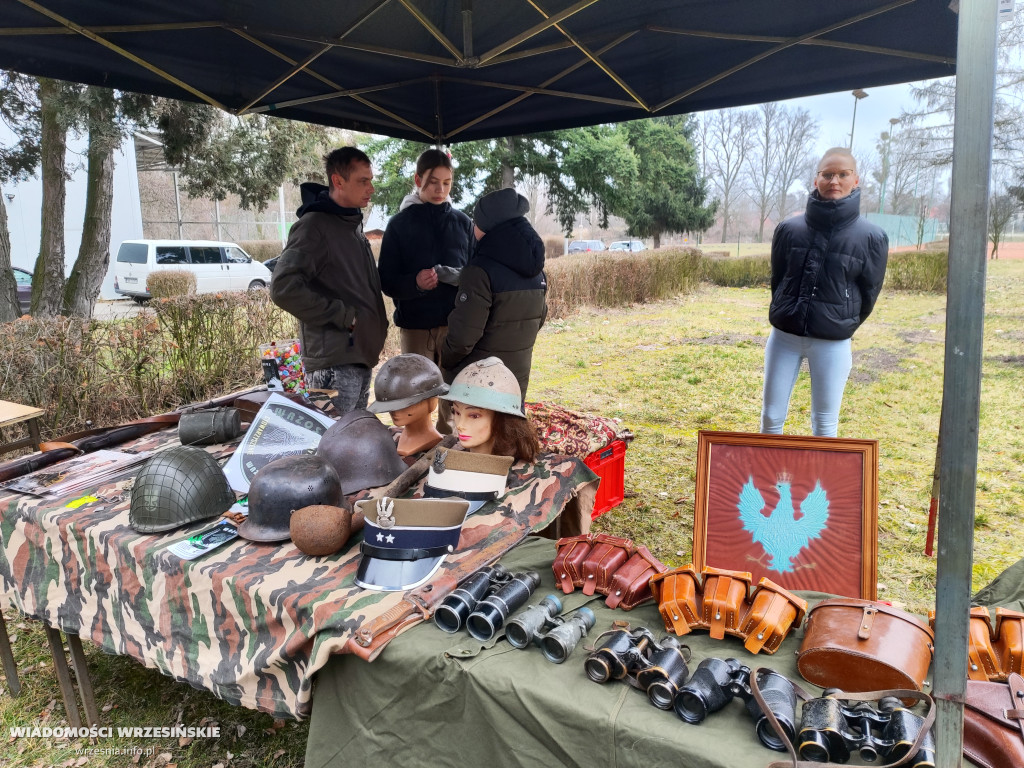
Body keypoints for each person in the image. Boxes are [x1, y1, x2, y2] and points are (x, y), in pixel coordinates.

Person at [760, 147, 889, 437]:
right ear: (816, 179)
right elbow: (778, 279)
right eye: (827, 174)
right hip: (784, 338)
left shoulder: (872, 237)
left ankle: (820, 483)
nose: (834, 180)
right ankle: (766, 480)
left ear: (856, 180)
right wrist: (786, 310)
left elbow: (869, 293)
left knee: (825, 424)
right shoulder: (788, 229)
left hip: (832, 343)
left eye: (843, 174)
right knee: (770, 418)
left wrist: (840, 322)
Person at [270, 147, 388, 414]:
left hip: (357, 356)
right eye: (362, 181)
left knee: (353, 443)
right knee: (333, 447)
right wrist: (344, 316)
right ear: (338, 181)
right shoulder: (314, 226)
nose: (370, 188)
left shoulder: (350, 225)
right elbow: (283, 288)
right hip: (335, 362)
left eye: (371, 180)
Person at [377, 149, 473, 433]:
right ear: (418, 179)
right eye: (433, 182)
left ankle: (451, 447)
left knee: (454, 396)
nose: (440, 189)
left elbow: (476, 273)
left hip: (454, 327)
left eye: (446, 182)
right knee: (415, 397)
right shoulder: (399, 225)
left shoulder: (463, 223)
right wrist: (415, 283)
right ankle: (419, 449)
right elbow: (386, 280)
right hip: (415, 328)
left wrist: (459, 278)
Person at [440, 187, 547, 400]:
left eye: (476, 222)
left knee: (476, 433)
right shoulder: (537, 271)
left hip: (477, 382)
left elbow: (463, 338)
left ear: (489, 226)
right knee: (507, 431)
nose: (473, 228)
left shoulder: (479, 271)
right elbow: (539, 319)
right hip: (515, 379)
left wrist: (446, 359)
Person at [440, 357, 540, 462]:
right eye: (457, 412)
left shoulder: (522, 474)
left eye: (474, 416)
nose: (460, 425)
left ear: (502, 419)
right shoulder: (445, 457)